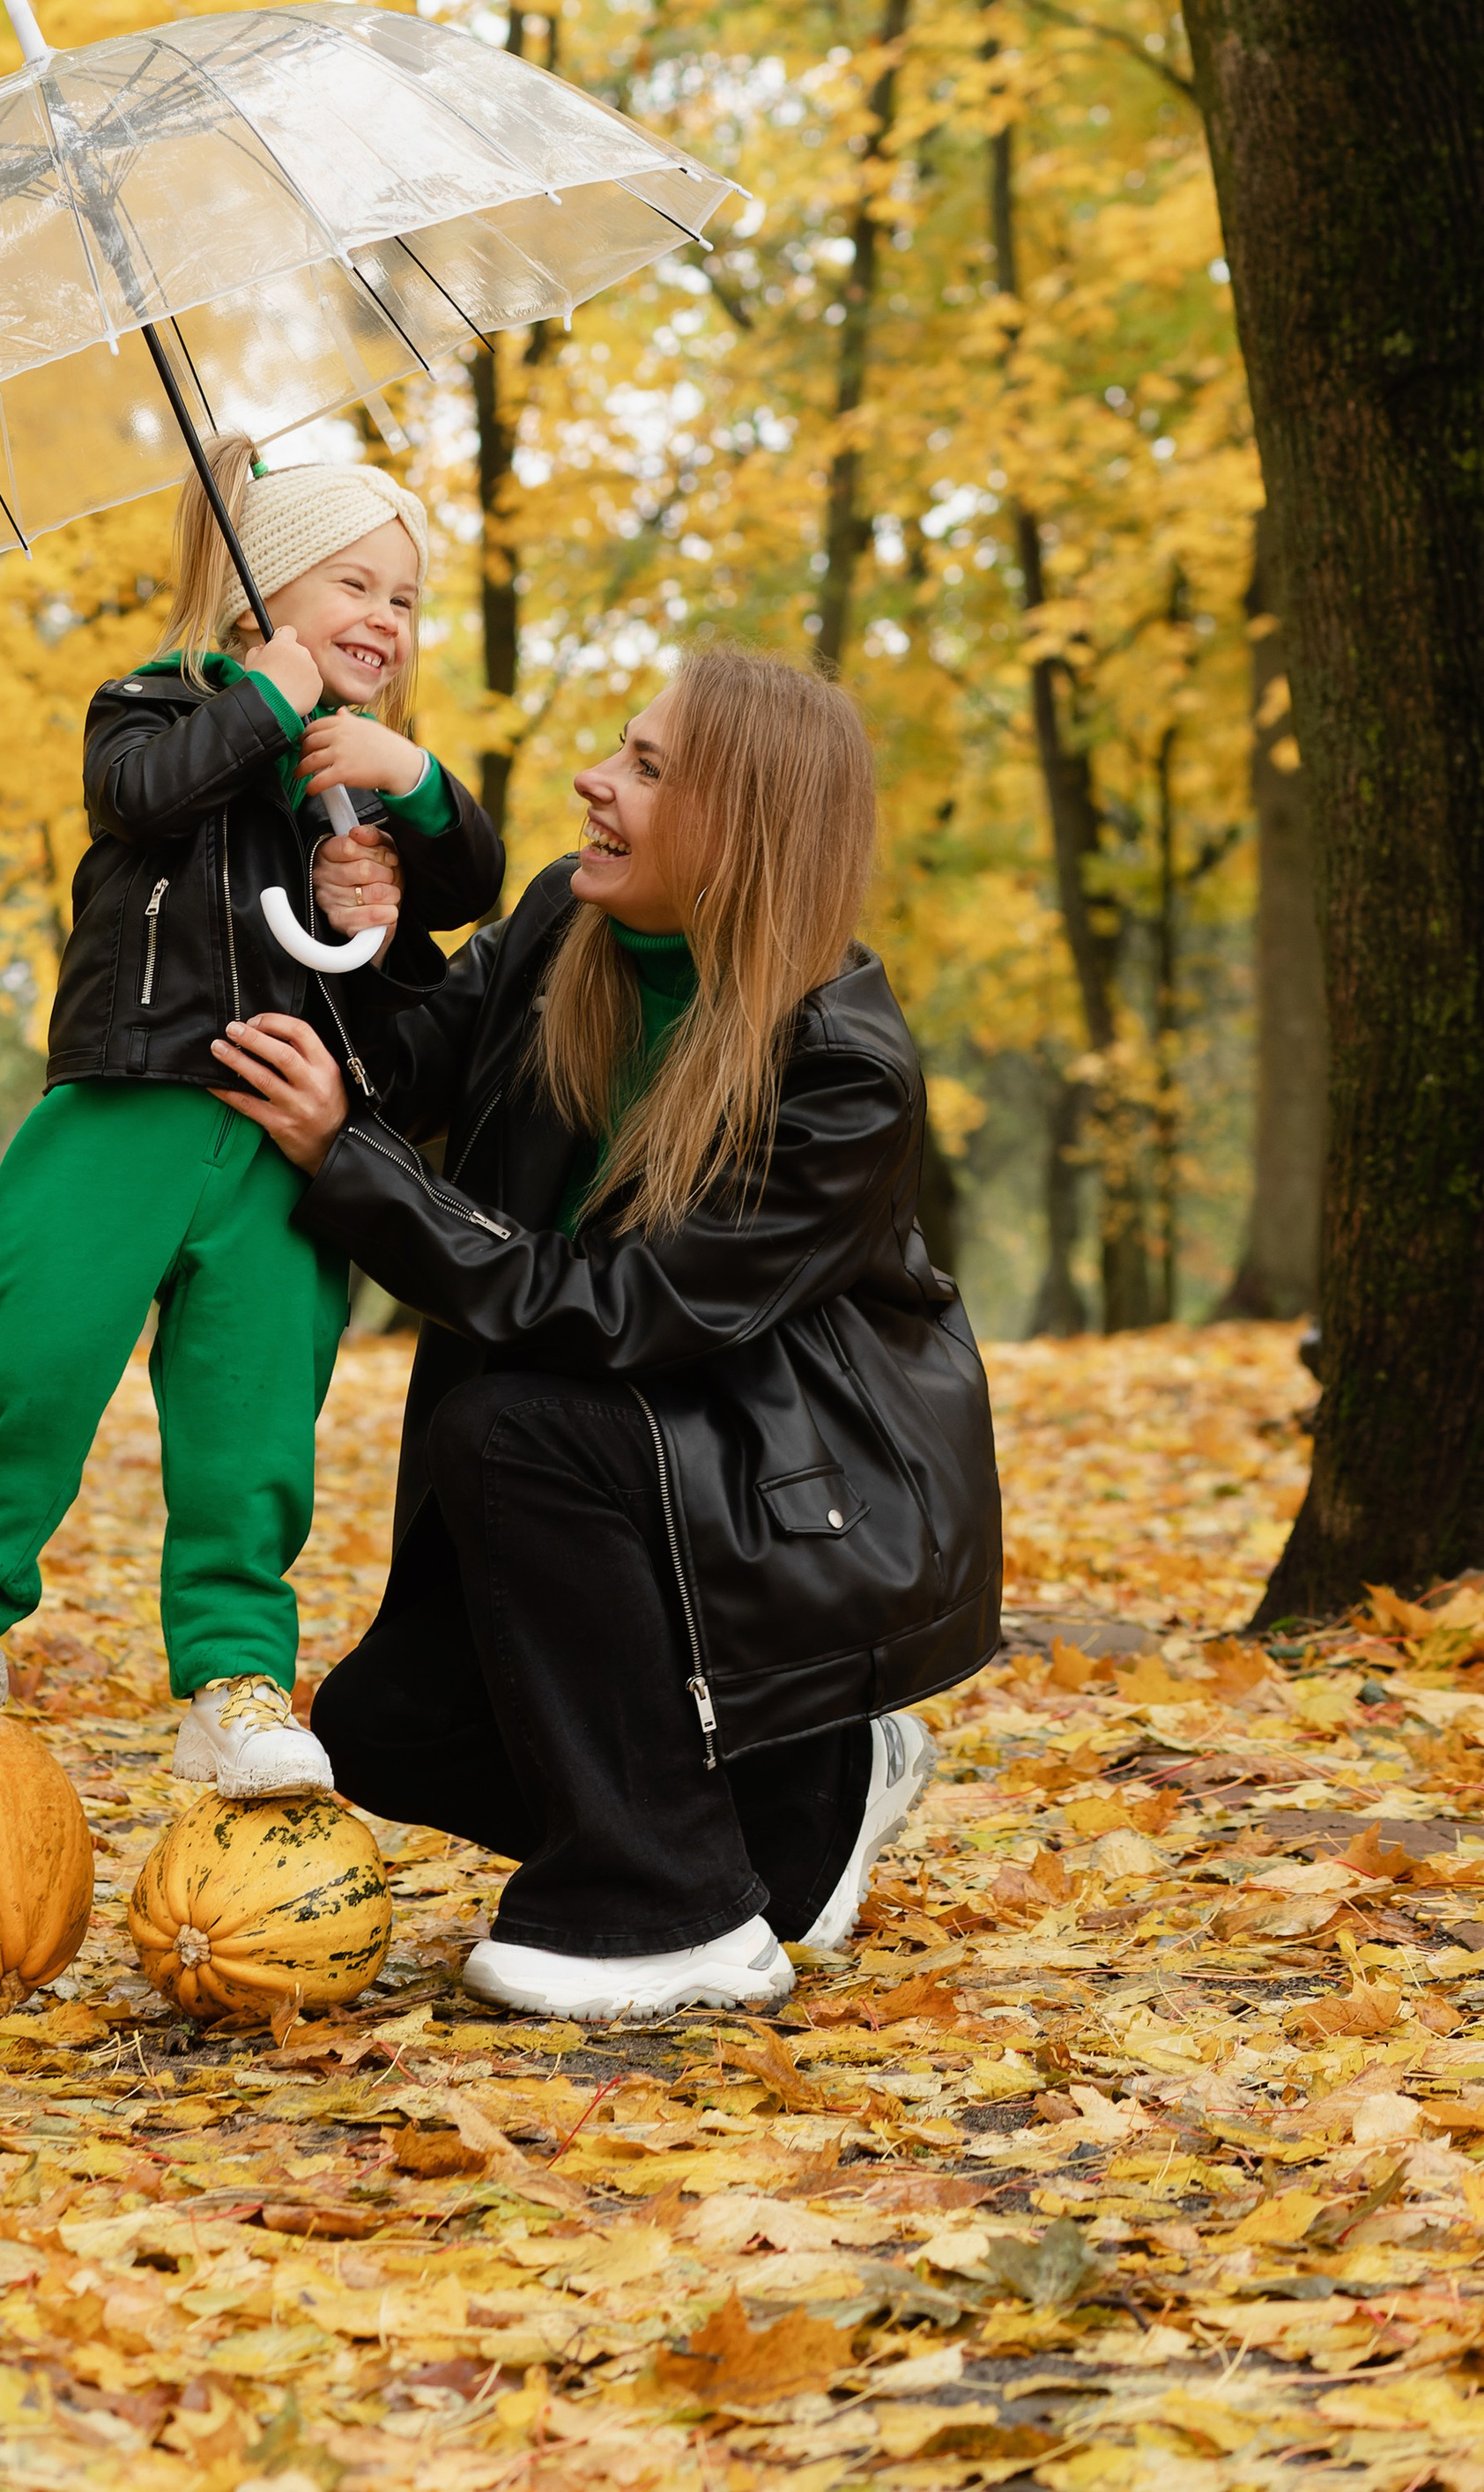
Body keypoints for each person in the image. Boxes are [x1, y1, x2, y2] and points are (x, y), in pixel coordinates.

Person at [208, 642, 1000, 2017]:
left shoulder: (841, 1070)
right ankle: (807, 1796)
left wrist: (358, 1166)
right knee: (381, 1730)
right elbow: (402, 1067)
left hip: (774, 1507)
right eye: (617, 751)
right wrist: (366, 936)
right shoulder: (561, 928)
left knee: (513, 1422)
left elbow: (629, 1311)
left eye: (647, 766)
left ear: (741, 825)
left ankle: (673, 1907)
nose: (595, 779)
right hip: (597, 1476)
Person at [0, 437, 502, 1795]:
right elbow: (141, 794)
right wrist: (264, 698)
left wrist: (402, 808)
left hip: (282, 1138)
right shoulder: (154, 705)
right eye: (350, 581)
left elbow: (467, 887)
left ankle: (237, 1677)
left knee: (255, 1414)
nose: (383, 616)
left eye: (406, 599)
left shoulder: (361, 783)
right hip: (127, 1099)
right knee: (42, 1346)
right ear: (260, 594)